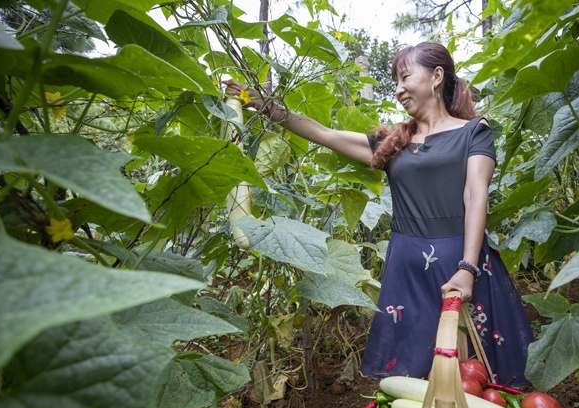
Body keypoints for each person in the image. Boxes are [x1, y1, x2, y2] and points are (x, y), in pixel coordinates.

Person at [225, 41, 533, 387]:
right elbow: (323, 133)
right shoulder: (395, 141)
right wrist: (258, 103)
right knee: (413, 374)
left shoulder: (473, 131)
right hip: (408, 266)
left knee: (474, 370)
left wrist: (467, 268)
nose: (398, 89)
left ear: (436, 76)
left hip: (461, 260)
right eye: (395, 82)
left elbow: (475, 194)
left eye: (405, 78)